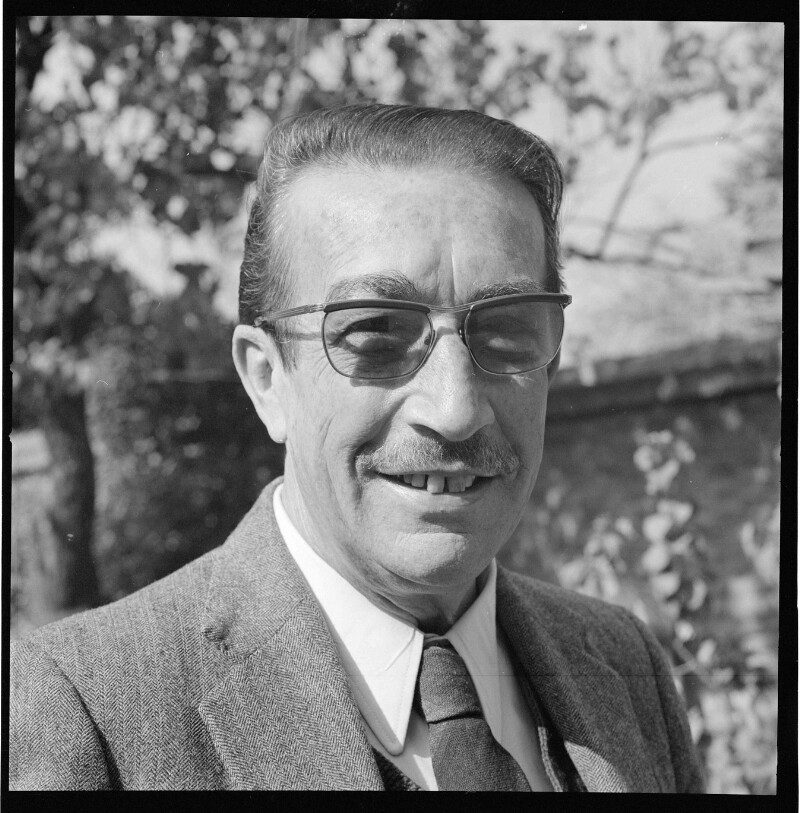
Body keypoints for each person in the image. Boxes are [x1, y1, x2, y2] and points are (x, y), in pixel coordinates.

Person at [10, 104, 704, 792]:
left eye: (505, 331)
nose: (456, 410)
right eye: (375, 334)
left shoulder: (624, 665)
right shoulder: (86, 708)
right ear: (267, 380)